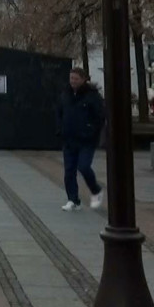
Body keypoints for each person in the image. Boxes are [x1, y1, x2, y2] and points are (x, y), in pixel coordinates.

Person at [55, 67, 105, 211]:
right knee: (69, 171)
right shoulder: (65, 94)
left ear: (83, 79)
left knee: (84, 166)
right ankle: (73, 199)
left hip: (86, 141)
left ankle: (96, 191)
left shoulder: (92, 96)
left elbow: (100, 117)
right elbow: (59, 112)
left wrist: (91, 131)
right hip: (69, 139)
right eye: (71, 78)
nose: (73, 82)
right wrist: (60, 129)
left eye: (76, 79)